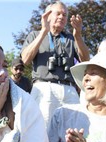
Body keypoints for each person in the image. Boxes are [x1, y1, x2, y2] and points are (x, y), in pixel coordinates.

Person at [21, 0, 90, 128]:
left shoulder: (70, 38)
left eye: (64, 15)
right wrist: (43, 32)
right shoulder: (35, 35)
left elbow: (86, 60)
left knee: (73, 128)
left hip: (69, 88)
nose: (62, 17)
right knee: (43, 128)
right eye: (58, 14)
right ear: (48, 15)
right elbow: (25, 60)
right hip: (44, 86)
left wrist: (78, 36)